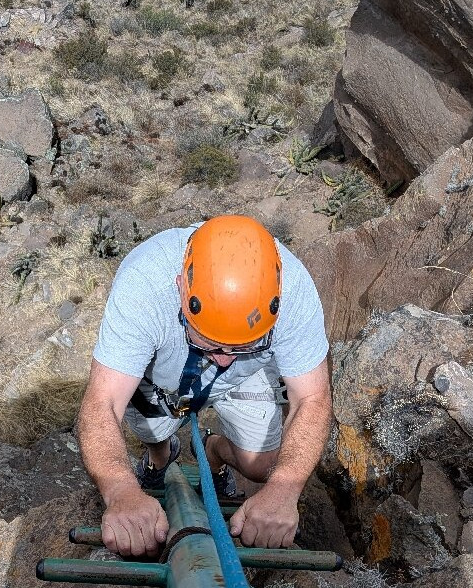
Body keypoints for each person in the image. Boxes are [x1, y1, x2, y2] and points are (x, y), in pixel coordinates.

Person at [77, 215, 333, 558]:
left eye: (238, 345)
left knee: (262, 467)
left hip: (248, 373)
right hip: (161, 374)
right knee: (154, 433)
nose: (223, 359)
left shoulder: (294, 292)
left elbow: (312, 397)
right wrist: (121, 490)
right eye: (211, 343)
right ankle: (160, 457)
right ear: (181, 286)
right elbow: (103, 401)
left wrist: (284, 490)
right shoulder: (144, 284)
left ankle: (213, 451)